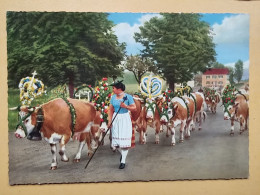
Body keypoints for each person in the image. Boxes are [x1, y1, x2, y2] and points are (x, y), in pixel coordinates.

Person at [108, 80, 136, 169]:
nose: (112, 90)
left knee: (124, 142)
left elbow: (134, 108)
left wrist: (126, 107)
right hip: (115, 118)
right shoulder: (113, 97)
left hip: (125, 118)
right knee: (116, 142)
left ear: (119, 88)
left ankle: (123, 161)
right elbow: (110, 110)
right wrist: (109, 121)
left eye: (113, 88)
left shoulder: (128, 97)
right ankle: (122, 154)